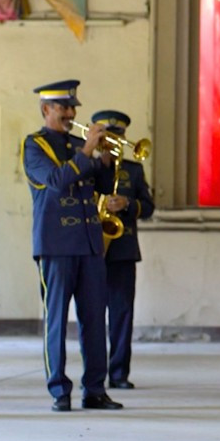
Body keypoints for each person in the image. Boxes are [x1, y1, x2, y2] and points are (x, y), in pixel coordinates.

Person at [21, 79, 121, 412]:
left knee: (95, 319)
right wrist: (88, 151)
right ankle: (58, 391)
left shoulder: (80, 145)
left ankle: (95, 389)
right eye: (64, 107)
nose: (71, 113)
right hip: (56, 244)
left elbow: (104, 187)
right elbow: (54, 181)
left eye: (73, 107)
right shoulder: (34, 145)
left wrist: (107, 159)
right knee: (57, 319)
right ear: (46, 109)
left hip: (91, 243)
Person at [91, 110, 155, 390]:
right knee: (92, 315)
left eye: (119, 137)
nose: (114, 142)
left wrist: (127, 204)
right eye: (108, 136)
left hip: (124, 249)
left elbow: (149, 207)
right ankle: (94, 373)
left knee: (122, 314)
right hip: (93, 250)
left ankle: (118, 374)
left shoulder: (134, 170)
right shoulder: (88, 166)